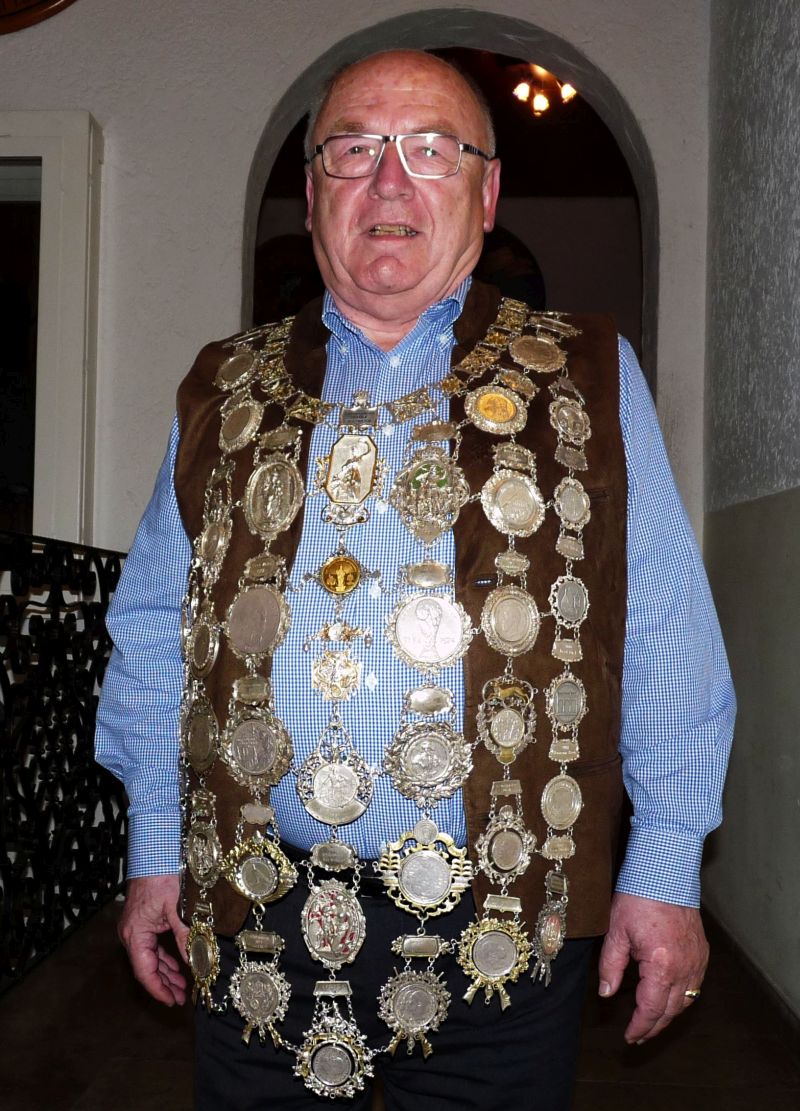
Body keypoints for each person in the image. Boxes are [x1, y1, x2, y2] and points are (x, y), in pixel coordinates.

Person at [96, 49, 735, 1111]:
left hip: (506, 919)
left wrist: (664, 865)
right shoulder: (222, 384)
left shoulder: (586, 371)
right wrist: (155, 845)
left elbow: (661, 624)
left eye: (431, 150)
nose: (388, 181)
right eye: (352, 150)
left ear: (485, 192)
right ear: (312, 192)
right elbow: (161, 622)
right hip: (255, 908)